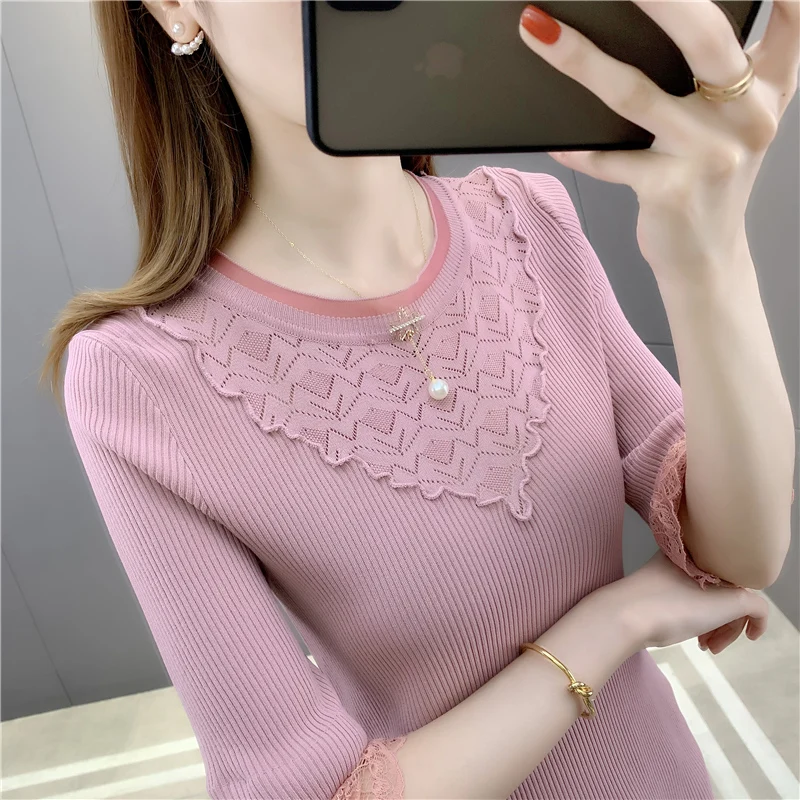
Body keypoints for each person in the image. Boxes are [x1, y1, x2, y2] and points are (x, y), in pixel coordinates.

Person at [40, 2, 796, 799]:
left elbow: (741, 555)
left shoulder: (528, 218)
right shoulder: (138, 382)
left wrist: (708, 254)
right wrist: (616, 622)